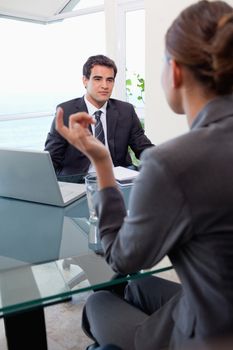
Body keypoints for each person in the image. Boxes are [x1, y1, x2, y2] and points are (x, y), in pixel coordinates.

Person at [55, 1, 233, 349]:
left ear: (176, 71)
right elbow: (54, 158)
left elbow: (122, 258)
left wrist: (103, 165)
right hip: (216, 299)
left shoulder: (173, 163)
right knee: (137, 286)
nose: (105, 85)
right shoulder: (69, 108)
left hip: (208, 335)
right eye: (99, 79)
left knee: (98, 302)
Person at [44, 54, 153, 179]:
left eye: (109, 80)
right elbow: (51, 160)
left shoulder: (126, 111)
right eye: (97, 79)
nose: (105, 86)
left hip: (118, 181)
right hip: (79, 183)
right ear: (85, 80)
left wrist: (164, 160)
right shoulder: (66, 112)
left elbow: (143, 148)